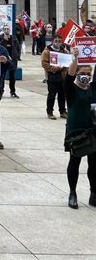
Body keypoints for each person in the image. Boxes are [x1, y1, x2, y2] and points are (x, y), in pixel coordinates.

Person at [64, 48, 96, 209]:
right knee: (75, 161)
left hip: (93, 130)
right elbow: (69, 77)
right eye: (82, 73)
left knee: (94, 164)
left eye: (88, 74)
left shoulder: (93, 88)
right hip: (76, 130)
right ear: (77, 74)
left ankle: (93, 193)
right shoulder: (72, 90)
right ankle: (72, 193)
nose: (85, 76)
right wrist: (75, 58)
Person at [41, 33, 68, 119]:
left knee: (62, 95)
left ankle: (62, 111)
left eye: (59, 41)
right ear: (52, 41)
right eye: (56, 41)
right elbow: (44, 64)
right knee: (52, 95)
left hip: (63, 76)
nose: (58, 43)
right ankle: (50, 112)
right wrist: (54, 68)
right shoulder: (47, 51)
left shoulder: (64, 50)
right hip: (52, 76)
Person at [0, 23, 21, 98]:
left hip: (12, 60)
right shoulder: (0, 38)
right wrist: (4, 40)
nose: (6, 30)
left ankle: (13, 91)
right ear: (3, 30)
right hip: (4, 59)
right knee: (2, 76)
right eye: (5, 29)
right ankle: (1, 91)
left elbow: (18, 47)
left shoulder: (13, 38)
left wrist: (17, 56)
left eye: (8, 29)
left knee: (12, 77)